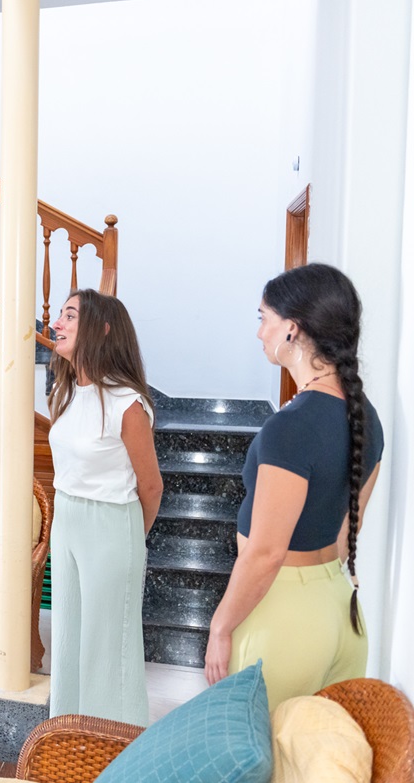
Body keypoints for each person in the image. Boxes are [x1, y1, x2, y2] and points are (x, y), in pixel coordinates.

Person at [204, 263, 383, 711]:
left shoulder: (293, 424)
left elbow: (266, 552)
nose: (259, 332)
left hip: (282, 616)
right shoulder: (367, 416)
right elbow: (344, 537)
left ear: (292, 329)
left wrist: (220, 627)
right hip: (341, 613)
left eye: (263, 317)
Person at [46, 289, 162, 726]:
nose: (57, 323)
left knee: (108, 646)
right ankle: (67, 741)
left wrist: (129, 538)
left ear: (102, 328)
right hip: (68, 520)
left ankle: (111, 749)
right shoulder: (67, 390)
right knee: (70, 640)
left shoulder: (127, 404)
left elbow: (151, 487)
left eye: (70, 316)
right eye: (60, 315)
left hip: (112, 525)